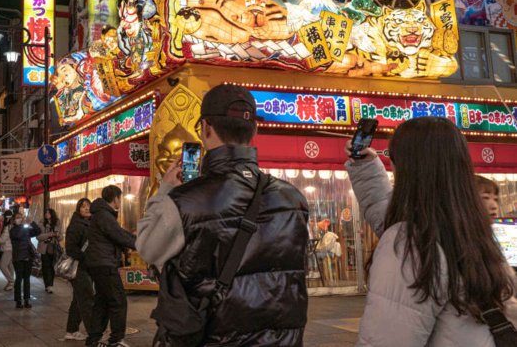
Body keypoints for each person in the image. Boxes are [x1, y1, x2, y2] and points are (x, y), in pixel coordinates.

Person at [137, 84, 309, 346]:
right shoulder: (293, 198)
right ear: (255, 130)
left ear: (205, 128)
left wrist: (165, 190)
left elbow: (147, 249)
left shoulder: (184, 201)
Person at [346, 117, 517, 346]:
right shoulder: (472, 231)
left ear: (408, 168)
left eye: (393, 157)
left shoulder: (411, 243)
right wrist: (365, 167)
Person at [85, 186, 137, 347]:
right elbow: (118, 235)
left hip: (98, 263)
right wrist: (140, 243)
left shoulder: (101, 214)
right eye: (119, 198)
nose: (120, 201)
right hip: (104, 263)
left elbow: (118, 233)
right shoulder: (104, 215)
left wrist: (132, 238)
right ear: (115, 198)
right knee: (118, 301)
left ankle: (94, 338)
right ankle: (116, 339)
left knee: (102, 301)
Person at [63, 198, 93, 342]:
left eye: (88, 206)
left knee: (78, 300)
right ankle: (93, 333)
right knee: (87, 299)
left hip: (86, 267)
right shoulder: (76, 225)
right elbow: (71, 248)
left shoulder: (90, 223)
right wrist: (85, 257)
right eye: (83, 207)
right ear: (78, 209)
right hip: (79, 268)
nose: (86, 209)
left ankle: (71, 330)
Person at [10, 212, 41, 309]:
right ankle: (18, 300)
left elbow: (37, 231)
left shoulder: (25, 229)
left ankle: (27, 299)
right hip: (18, 258)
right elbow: (18, 235)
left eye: (21, 217)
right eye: (17, 218)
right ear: (14, 220)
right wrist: (24, 226)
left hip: (28, 257)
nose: (19, 219)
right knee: (19, 279)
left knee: (27, 279)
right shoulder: (13, 230)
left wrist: (32, 223)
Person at [38, 208, 61, 294]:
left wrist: (58, 235)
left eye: (48, 212)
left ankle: (50, 285)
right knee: (45, 267)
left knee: (52, 267)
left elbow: (60, 236)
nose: (46, 214)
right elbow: (38, 237)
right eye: (46, 212)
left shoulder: (57, 223)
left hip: (53, 248)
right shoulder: (41, 224)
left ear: (52, 214)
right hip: (44, 248)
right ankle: (47, 285)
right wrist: (50, 234)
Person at [0, 210, 14, 291]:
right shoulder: (11, 226)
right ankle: (11, 283)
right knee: (10, 266)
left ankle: (11, 281)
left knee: (3, 266)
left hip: (8, 249)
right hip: (11, 248)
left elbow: (2, 240)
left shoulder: (7, 227)